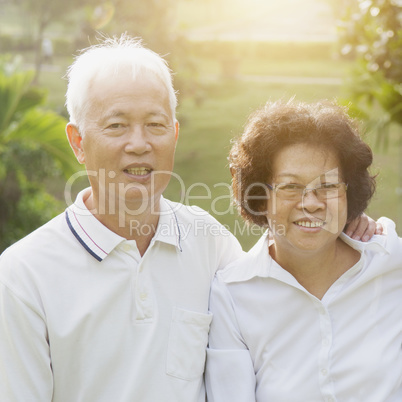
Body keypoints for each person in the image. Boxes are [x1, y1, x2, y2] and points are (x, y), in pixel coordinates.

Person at [0, 36, 379, 401]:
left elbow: (278, 289)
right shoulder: (24, 275)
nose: (139, 143)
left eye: (156, 124)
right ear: (78, 142)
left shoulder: (211, 245)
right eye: (116, 125)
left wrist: (344, 230)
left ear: (175, 135)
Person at [205, 99, 402, 401]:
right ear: (260, 197)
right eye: (290, 186)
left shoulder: (390, 264)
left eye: (328, 186)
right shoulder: (232, 295)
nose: (311, 203)